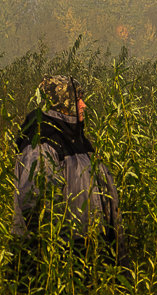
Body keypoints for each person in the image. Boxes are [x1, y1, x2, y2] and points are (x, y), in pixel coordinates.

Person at [11, 74, 125, 280]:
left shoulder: (79, 140)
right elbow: (34, 203)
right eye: (77, 99)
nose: (83, 105)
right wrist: (55, 255)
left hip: (87, 251)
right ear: (62, 104)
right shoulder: (41, 143)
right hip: (61, 260)